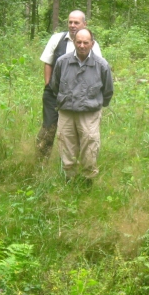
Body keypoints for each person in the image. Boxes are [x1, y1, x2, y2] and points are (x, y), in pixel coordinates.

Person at [49, 29, 113, 184]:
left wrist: (95, 105)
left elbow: (108, 90)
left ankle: (87, 180)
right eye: (79, 42)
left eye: (86, 42)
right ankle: (69, 178)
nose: (82, 45)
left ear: (92, 43)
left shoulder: (101, 65)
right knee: (66, 145)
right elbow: (54, 85)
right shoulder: (62, 62)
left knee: (90, 146)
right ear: (74, 42)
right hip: (66, 112)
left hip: (89, 113)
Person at [37, 10, 102, 159]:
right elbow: (48, 62)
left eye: (76, 22)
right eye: (70, 22)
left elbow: (98, 69)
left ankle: (72, 164)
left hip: (80, 97)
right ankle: (41, 162)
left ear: (84, 24)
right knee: (49, 128)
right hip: (54, 94)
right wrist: (48, 84)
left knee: (77, 131)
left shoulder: (92, 45)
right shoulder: (57, 39)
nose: (72, 25)